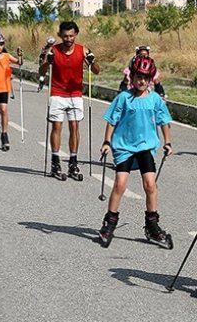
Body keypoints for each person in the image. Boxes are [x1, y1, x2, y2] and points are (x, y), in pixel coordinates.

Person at [98, 56, 173, 248]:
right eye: (138, 77)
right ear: (132, 76)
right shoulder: (124, 98)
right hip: (123, 146)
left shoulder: (155, 99)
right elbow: (112, 120)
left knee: (150, 185)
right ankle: (109, 223)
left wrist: (168, 142)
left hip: (145, 146)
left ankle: (152, 226)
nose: (142, 81)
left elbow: (164, 121)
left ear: (151, 79)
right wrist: (107, 141)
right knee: (120, 184)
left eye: (145, 78)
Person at [38, 21, 101, 180]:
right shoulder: (54, 50)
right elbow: (42, 71)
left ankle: (73, 162)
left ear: (76, 35)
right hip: (58, 93)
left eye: (71, 35)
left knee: (74, 126)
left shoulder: (83, 50)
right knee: (57, 127)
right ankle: (55, 162)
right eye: (65, 36)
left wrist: (92, 61)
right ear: (60, 35)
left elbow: (97, 71)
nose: (68, 39)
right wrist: (47, 61)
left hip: (75, 94)